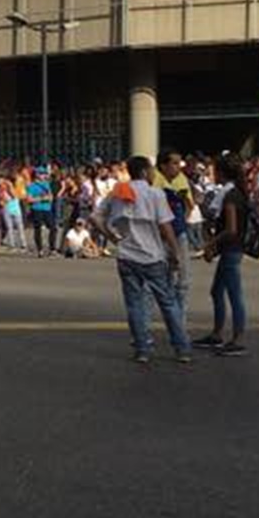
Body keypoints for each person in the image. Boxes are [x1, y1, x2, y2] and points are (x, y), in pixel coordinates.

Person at [95, 157, 191, 367]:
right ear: (146, 171)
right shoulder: (155, 194)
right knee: (168, 302)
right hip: (152, 256)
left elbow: (96, 217)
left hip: (126, 255)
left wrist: (112, 237)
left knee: (134, 304)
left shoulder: (118, 192)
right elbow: (165, 227)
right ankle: (181, 348)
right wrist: (174, 253)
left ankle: (142, 349)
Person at [195, 151, 249, 356]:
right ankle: (217, 335)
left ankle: (238, 339)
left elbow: (231, 229)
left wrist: (210, 244)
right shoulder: (236, 192)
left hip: (231, 250)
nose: (212, 174)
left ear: (223, 173)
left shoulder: (231, 196)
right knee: (217, 291)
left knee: (234, 295)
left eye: (215, 171)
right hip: (231, 249)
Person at [154, 149, 194, 314]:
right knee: (162, 280)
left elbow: (189, 203)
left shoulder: (181, 179)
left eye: (180, 163)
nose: (179, 167)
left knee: (183, 280)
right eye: (175, 163)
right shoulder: (155, 181)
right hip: (160, 236)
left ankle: (179, 321)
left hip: (178, 233)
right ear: (163, 166)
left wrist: (181, 221)